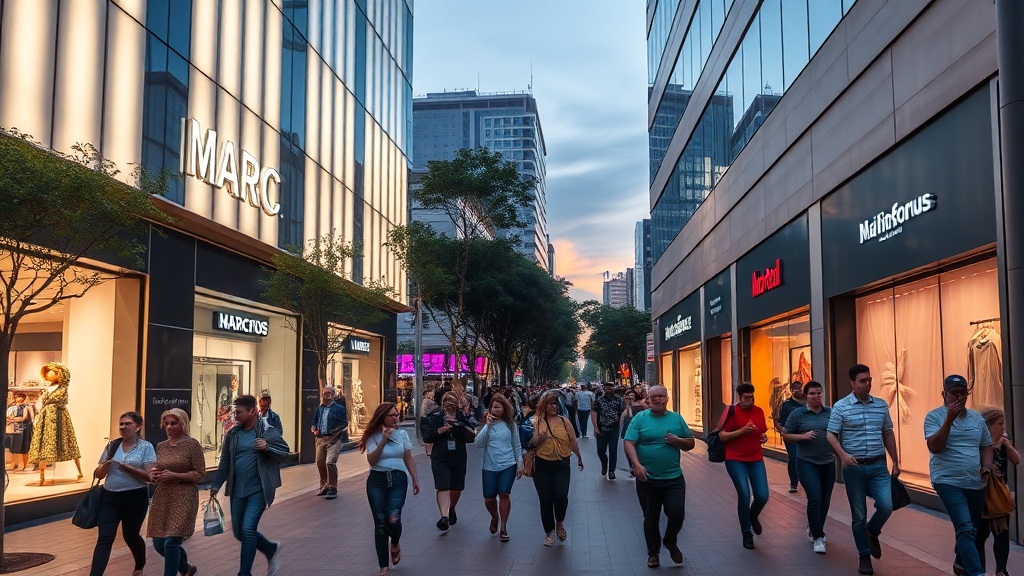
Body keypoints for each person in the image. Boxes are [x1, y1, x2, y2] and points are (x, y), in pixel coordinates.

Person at [827, 364, 900, 576]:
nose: (867, 384)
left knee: (886, 505)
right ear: (852, 383)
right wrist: (843, 455)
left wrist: (895, 461)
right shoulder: (841, 407)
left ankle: (872, 530)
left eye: (869, 380)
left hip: (878, 465)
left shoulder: (880, 405)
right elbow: (831, 435)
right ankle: (864, 555)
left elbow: (888, 432)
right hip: (854, 468)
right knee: (859, 514)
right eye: (862, 381)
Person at [210, 394, 290, 576]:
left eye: (239, 413)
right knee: (239, 532)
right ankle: (270, 549)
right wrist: (215, 485)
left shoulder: (266, 431)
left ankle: (244, 573)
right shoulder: (233, 434)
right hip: (238, 489)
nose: (235, 416)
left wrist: (267, 447)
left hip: (259, 490)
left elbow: (284, 452)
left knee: (248, 529)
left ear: (253, 411)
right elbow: (225, 462)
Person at [925, 375, 993, 576]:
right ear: (944, 394)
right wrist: (949, 419)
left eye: (963, 393)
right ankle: (976, 572)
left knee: (971, 529)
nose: (960, 397)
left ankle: (960, 563)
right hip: (947, 480)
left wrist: (987, 466)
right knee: (964, 526)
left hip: (974, 481)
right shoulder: (934, 417)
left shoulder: (977, 418)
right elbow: (934, 446)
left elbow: (986, 445)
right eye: (955, 393)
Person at [623, 385, 694, 568]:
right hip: (647, 479)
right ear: (648, 399)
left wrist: (677, 441)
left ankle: (670, 540)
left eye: (661, 396)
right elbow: (629, 442)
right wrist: (636, 466)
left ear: (667, 398)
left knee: (676, 513)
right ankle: (653, 553)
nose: (657, 399)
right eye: (653, 397)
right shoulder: (640, 418)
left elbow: (690, 443)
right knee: (651, 517)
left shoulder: (676, 418)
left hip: (673, 479)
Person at [89, 411, 156, 576]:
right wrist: (105, 465)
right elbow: (98, 475)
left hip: (135, 498)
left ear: (138, 426)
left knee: (131, 535)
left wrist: (129, 469)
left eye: (128, 424)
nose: (123, 427)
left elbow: (151, 477)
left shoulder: (145, 447)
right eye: (121, 424)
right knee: (105, 538)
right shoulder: (112, 445)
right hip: (109, 497)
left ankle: (140, 564)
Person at [360, 403, 420, 576]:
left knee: (393, 518)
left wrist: (415, 477)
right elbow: (371, 461)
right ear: (383, 417)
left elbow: (408, 458)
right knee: (380, 522)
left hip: (398, 479)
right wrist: (384, 440)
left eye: (397, 415)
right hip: (377, 480)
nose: (396, 418)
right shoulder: (373, 435)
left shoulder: (402, 434)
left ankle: (394, 542)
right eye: (391, 415)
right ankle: (383, 565)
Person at [148, 409, 205, 576]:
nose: (169, 426)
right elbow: (158, 468)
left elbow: (200, 473)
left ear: (183, 423)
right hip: (163, 496)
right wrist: (154, 474)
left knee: (171, 543)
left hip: (183, 496)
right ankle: (185, 568)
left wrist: (176, 475)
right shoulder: (161, 446)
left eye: (174, 423)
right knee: (159, 542)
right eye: (166, 423)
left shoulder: (192, 445)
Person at [782, 381, 834, 554]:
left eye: (819, 393)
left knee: (825, 500)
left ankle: (814, 527)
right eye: (812, 393)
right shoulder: (797, 413)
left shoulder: (831, 412)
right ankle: (818, 537)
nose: (816, 396)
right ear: (806, 396)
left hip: (828, 462)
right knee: (815, 498)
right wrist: (803, 436)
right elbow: (787, 436)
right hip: (806, 462)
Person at [530, 391, 583, 547]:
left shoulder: (564, 421)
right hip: (541, 466)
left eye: (555, 403)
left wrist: (579, 456)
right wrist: (538, 438)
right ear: (543, 405)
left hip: (561, 465)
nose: (554, 406)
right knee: (545, 499)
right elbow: (527, 442)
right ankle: (549, 532)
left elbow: (572, 440)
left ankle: (559, 522)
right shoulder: (536, 421)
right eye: (550, 403)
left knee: (561, 497)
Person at [719, 382, 769, 550]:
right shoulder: (731, 411)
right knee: (745, 495)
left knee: (762, 495)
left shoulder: (759, 411)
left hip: (755, 457)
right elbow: (722, 436)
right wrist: (742, 431)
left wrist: (762, 437)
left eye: (751, 396)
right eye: (746, 397)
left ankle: (752, 516)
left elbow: (761, 430)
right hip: (735, 458)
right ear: (739, 397)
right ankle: (747, 533)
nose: (749, 400)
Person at [420, 391, 477, 531]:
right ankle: (444, 516)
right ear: (442, 403)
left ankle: (451, 508)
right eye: (447, 401)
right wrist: (440, 430)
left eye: (453, 401)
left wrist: (458, 424)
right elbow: (426, 437)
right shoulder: (434, 417)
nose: (450, 403)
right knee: (443, 485)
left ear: (457, 403)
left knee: (457, 486)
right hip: (440, 456)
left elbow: (472, 433)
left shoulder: (464, 416)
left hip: (458, 455)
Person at [977, 407, 1020, 576]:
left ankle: (1001, 570)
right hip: (982, 494)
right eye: (1000, 423)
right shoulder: (979, 442)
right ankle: (978, 570)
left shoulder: (1004, 440)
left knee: (1001, 535)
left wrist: (1007, 445)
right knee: (980, 535)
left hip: (1000, 495)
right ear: (989, 425)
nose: (1003, 427)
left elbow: (1017, 460)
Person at [476, 394, 524, 543]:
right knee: (489, 497)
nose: (495, 410)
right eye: (493, 407)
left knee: (504, 493)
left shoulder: (511, 424)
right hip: (489, 465)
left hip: (508, 464)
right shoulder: (487, 425)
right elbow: (478, 443)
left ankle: (503, 527)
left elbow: (517, 444)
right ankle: (494, 517)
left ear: (505, 409)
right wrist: (487, 425)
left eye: (498, 407)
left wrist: (520, 463)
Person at [29, 362, 83, 483]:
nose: (48, 373)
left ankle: (80, 471)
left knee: (68, 440)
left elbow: (62, 393)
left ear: (58, 373)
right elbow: (43, 402)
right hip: (46, 416)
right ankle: (42, 475)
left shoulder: (63, 387)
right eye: (47, 371)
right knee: (43, 442)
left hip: (59, 416)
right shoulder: (47, 389)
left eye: (51, 371)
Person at [310, 386, 348, 500]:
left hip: (334, 439)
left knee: (329, 462)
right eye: (324, 393)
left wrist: (335, 431)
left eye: (328, 393)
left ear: (333, 395)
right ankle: (324, 486)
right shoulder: (320, 408)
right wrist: (314, 429)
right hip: (321, 439)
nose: (326, 396)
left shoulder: (339, 408)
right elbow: (314, 421)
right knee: (320, 462)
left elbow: (344, 423)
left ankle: (333, 487)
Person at [775, 379, 805, 493]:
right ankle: (794, 483)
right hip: (791, 437)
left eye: (800, 387)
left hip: (806, 436)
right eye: (796, 388)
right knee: (794, 458)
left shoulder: (808, 403)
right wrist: (782, 430)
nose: (799, 390)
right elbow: (777, 420)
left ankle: (806, 481)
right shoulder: (785, 405)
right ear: (791, 390)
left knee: (804, 459)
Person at [592, 382, 624, 480]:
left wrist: (620, 426)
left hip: (614, 428)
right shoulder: (599, 400)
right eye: (607, 387)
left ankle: (611, 471)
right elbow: (594, 413)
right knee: (601, 450)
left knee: (613, 450)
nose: (609, 388)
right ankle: (604, 463)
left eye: (611, 386)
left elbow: (622, 413)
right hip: (602, 428)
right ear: (604, 388)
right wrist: (595, 428)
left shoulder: (619, 400)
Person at [620, 389, 647, 478]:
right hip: (627, 427)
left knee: (637, 448)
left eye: (632, 396)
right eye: (629, 396)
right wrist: (628, 405)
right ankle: (631, 466)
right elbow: (628, 416)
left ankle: (637, 465)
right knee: (628, 449)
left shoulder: (641, 405)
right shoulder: (624, 405)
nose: (631, 398)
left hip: (639, 429)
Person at [6, 392, 34, 470]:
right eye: (16, 397)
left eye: (19, 397)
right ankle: (14, 463)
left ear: (23, 398)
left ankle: (24, 464)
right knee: (14, 446)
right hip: (14, 428)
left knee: (24, 446)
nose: (17, 398)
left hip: (25, 428)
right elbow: (8, 417)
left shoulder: (27, 407)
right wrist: (13, 419)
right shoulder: (12, 407)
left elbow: (24, 418)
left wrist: (14, 419)